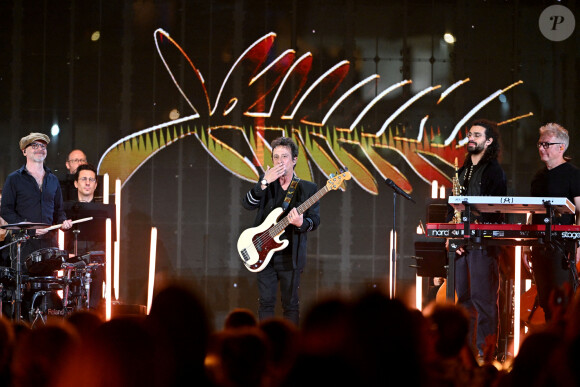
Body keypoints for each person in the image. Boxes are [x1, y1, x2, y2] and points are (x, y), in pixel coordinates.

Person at [241, 136, 320, 325]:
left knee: (291, 305)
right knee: (266, 303)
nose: (279, 161)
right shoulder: (266, 184)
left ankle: (290, 346)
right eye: (276, 157)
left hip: (290, 256)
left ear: (294, 160)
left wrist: (301, 222)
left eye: (284, 156)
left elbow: (314, 221)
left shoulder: (307, 188)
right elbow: (247, 204)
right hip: (263, 252)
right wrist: (263, 184)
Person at [448, 119, 507, 360]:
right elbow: (451, 209)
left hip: (483, 244)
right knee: (463, 300)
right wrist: (453, 236)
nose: (470, 138)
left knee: (483, 300)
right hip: (462, 244)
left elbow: (498, 209)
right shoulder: (461, 171)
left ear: (489, 141)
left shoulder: (494, 171)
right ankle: (466, 353)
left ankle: (486, 353)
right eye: (469, 134)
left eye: (477, 135)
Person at [530, 123, 580, 321]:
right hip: (539, 244)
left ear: (562, 147)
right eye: (540, 144)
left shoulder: (573, 174)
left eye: (546, 144)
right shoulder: (538, 177)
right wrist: (528, 246)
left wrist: (578, 244)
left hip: (562, 246)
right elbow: (532, 211)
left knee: (562, 300)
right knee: (544, 299)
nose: (542, 148)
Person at [1, 133, 73, 264]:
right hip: (23, 244)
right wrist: (30, 228)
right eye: (34, 145)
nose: (40, 148)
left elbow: (59, 210)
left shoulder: (53, 179)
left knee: (49, 282)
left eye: (43, 146)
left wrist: (63, 222)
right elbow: (6, 210)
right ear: (24, 151)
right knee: (24, 283)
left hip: (49, 244)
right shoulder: (14, 179)